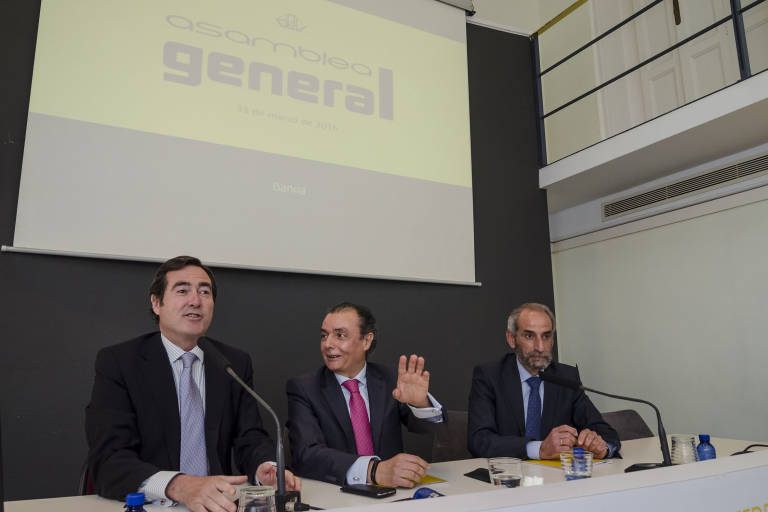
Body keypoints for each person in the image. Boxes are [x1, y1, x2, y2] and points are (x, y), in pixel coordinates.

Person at [85, 256, 300, 512]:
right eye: (182, 290)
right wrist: (180, 485)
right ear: (156, 303)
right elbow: (110, 459)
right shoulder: (120, 362)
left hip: (216, 505)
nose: (195, 300)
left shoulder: (232, 363)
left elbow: (249, 437)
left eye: (204, 292)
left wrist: (266, 467)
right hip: (152, 505)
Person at [286, 302, 443, 487]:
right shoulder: (305, 388)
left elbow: (431, 430)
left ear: (366, 340)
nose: (328, 344)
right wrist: (373, 471)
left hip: (393, 495)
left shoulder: (391, 378)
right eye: (324, 336)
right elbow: (306, 454)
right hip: (337, 495)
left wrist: (420, 404)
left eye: (340, 335)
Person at [468, 303, 620, 460]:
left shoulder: (566, 377)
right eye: (529, 336)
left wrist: (602, 447)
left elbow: (605, 432)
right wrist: (538, 449)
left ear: (552, 341)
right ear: (512, 339)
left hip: (557, 479)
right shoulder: (489, 376)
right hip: (507, 477)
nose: (540, 347)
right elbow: (479, 440)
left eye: (546, 336)